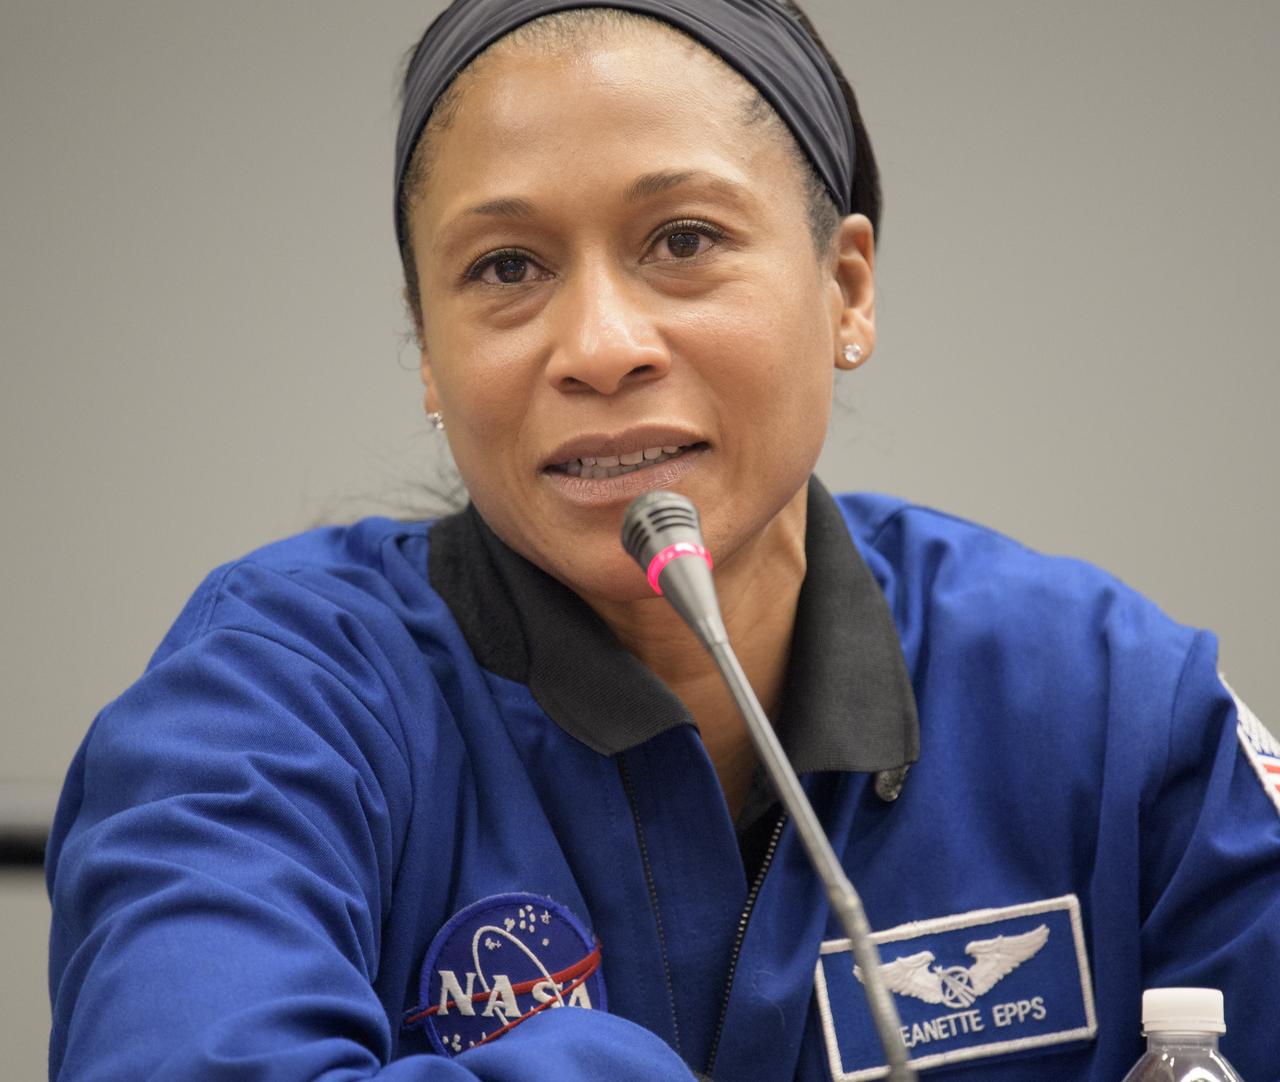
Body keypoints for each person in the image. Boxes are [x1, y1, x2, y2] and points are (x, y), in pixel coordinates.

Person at [45, 1, 1280, 1079]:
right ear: (426, 349)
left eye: (682, 241)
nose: (598, 345)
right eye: (506, 267)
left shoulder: (1107, 702)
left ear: (845, 289)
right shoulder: (262, 705)